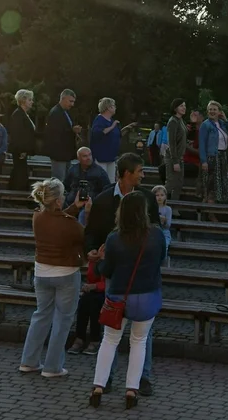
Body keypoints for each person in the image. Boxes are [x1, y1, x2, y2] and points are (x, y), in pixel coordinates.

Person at [84, 153, 162, 395]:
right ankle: (112, 380)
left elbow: (157, 233)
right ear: (126, 173)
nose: (143, 175)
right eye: (139, 170)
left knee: (125, 335)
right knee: (122, 328)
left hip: (128, 274)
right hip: (119, 275)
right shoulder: (104, 199)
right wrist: (92, 250)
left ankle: (142, 378)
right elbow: (91, 232)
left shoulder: (148, 198)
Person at [19, 178, 86, 378]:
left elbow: (58, 220)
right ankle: (52, 366)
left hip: (42, 272)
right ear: (57, 201)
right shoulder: (70, 224)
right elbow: (81, 234)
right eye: (63, 195)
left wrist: (74, 207)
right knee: (62, 321)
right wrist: (84, 212)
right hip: (66, 273)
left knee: (40, 316)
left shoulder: (37, 216)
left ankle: (29, 361)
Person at [69, 240, 107, 357]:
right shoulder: (96, 255)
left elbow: (110, 281)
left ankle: (95, 339)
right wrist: (95, 261)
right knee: (84, 302)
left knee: (95, 304)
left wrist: (95, 286)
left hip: (107, 291)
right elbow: (91, 277)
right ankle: (79, 338)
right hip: (94, 290)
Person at [198, 101, 228, 205]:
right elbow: (202, 144)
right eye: (210, 109)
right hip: (212, 157)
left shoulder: (222, 124)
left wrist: (225, 119)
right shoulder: (205, 125)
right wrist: (204, 161)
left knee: (221, 185)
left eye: (215, 109)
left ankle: (217, 208)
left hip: (222, 157)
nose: (212, 111)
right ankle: (209, 211)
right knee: (211, 185)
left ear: (219, 112)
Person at [91, 98, 133, 183]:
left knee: (111, 181)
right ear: (108, 107)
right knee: (102, 180)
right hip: (101, 156)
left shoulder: (112, 121)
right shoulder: (99, 120)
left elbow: (117, 135)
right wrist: (112, 126)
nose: (115, 108)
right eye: (113, 106)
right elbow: (99, 133)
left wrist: (127, 128)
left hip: (112, 157)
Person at [45, 89, 81, 182]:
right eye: (70, 101)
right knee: (58, 180)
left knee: (65, 180)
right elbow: (55, 133)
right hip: (59, 154)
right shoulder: (55, 113)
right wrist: (71, 130)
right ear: (63, 98)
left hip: (65, 154)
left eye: (73, 102)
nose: (72, 104)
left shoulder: (64, 112)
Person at [9, 89, 38, 191]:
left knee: (19, 172)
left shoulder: (23, 114)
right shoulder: (18, 114)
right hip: (19, 150)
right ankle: (15, 196)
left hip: (22, 150)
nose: (32, 102)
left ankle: (14, 194)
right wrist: (22, 150)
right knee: (20, 173)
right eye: (30, 100)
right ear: (23, 100)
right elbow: (17, 134)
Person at [161, 99, 188, 200]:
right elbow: (171, 142)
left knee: (179, 184)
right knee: (170, 184)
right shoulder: (173, 121)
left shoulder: (180, 121)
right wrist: (175, 161)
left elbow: (181, 138)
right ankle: (155, 203)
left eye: (184, 105)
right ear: (175, 108)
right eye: (181, 106)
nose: (184, 108)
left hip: (180, 157)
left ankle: (174, 208)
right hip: (173, 157)